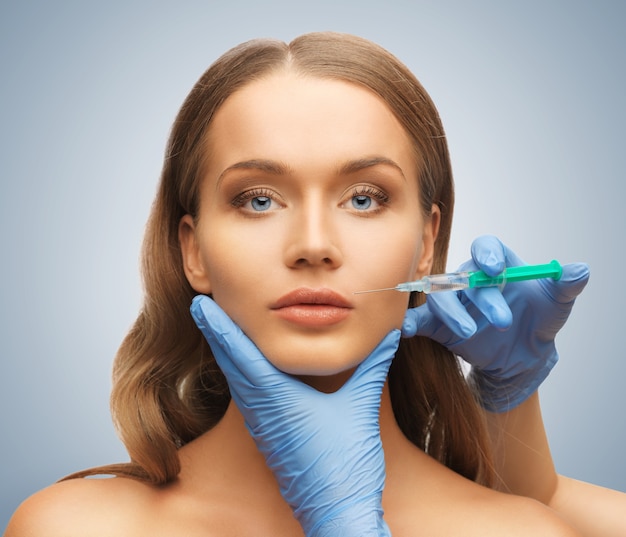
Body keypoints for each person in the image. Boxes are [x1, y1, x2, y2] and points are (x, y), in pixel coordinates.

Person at [6, 32, 626, 536]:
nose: (312, 246)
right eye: (257, 200)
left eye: (363, 198)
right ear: (192, 251)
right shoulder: (75, 527)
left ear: (426, 246)